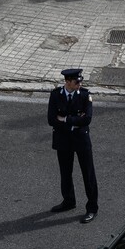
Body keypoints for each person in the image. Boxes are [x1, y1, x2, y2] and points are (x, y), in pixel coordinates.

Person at [47, 68, 98, 224]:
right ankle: (68, 201)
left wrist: (65, 120)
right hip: (63, 139)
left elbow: (87, 119)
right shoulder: (56, 95)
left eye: (80, 81)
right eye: (76, 82)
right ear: (67, 82)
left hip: (81, 140)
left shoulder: (84, 95)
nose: (79, 84)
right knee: (65, 173)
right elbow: (51, 119)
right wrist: (75, 120)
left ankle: (92, 208)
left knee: (88, 174)